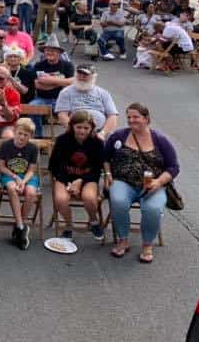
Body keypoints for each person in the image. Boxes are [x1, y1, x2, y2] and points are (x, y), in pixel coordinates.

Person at [104, 103, 180, 263]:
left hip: (153, 184)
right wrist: (108, 174)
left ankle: (147, 244)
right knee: (118, 200)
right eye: (129, 117)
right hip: (123, 181)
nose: (131, 120)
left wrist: (159, 182)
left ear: (146, 119)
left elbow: (174, 167)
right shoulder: (119, 136)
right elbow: (105, 157)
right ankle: (123, 239)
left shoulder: (160, 140)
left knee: (152, 208)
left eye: (136, 117)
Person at [49, 109, 105, 241]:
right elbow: (54, 166)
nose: (82, 131)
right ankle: (68, 226)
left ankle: (93, 221)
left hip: (88, 177)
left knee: (90, 198)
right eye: (78, 127)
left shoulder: (97, 143)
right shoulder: (62, 140)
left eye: (86, 128)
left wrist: (80, 180)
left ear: (91, 128)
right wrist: (68, 182)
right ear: (72, 126)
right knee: (61, 199)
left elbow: (97, 169)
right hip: (65, 176)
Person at [0, 117, 40, 250]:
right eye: (20, 133)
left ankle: (19, 225)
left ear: (30, 136)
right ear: (15, 131)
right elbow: (2, 167)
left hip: (26, 176)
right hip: (10, 175)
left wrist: (23, 181)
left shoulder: (33, 148)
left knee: (31, 193)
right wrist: (15, 177)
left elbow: (32, 170)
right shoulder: (6, 145)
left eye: (25, 135)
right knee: (12, 188)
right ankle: (21, 226)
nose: (22, 137)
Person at [54, 64, 118, 139]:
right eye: (79, 73)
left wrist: (102, 133)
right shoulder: (66, 92)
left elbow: (113, 116)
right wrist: (74, 131)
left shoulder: (103, 93)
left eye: (85, 74)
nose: (81, 77)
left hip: (99, 132)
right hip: (76, 132)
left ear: (94, 76)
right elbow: (62, 115)